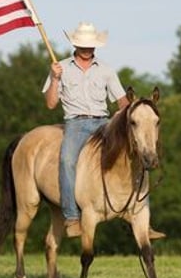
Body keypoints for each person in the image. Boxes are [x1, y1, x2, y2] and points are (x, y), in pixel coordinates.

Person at [42, 22, 129, 238]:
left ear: (95, 46)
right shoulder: (60, 68)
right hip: (76, 124)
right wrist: (54, 79)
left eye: (90, 45)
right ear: (75, 44)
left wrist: (121, 117)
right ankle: (72, 217)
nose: (87, 49)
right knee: (67, 161)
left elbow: (123, 102)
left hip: (103, 122)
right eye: (83, 44)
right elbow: (51, 103)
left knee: (132, 155)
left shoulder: (107, 70)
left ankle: (138, 211)